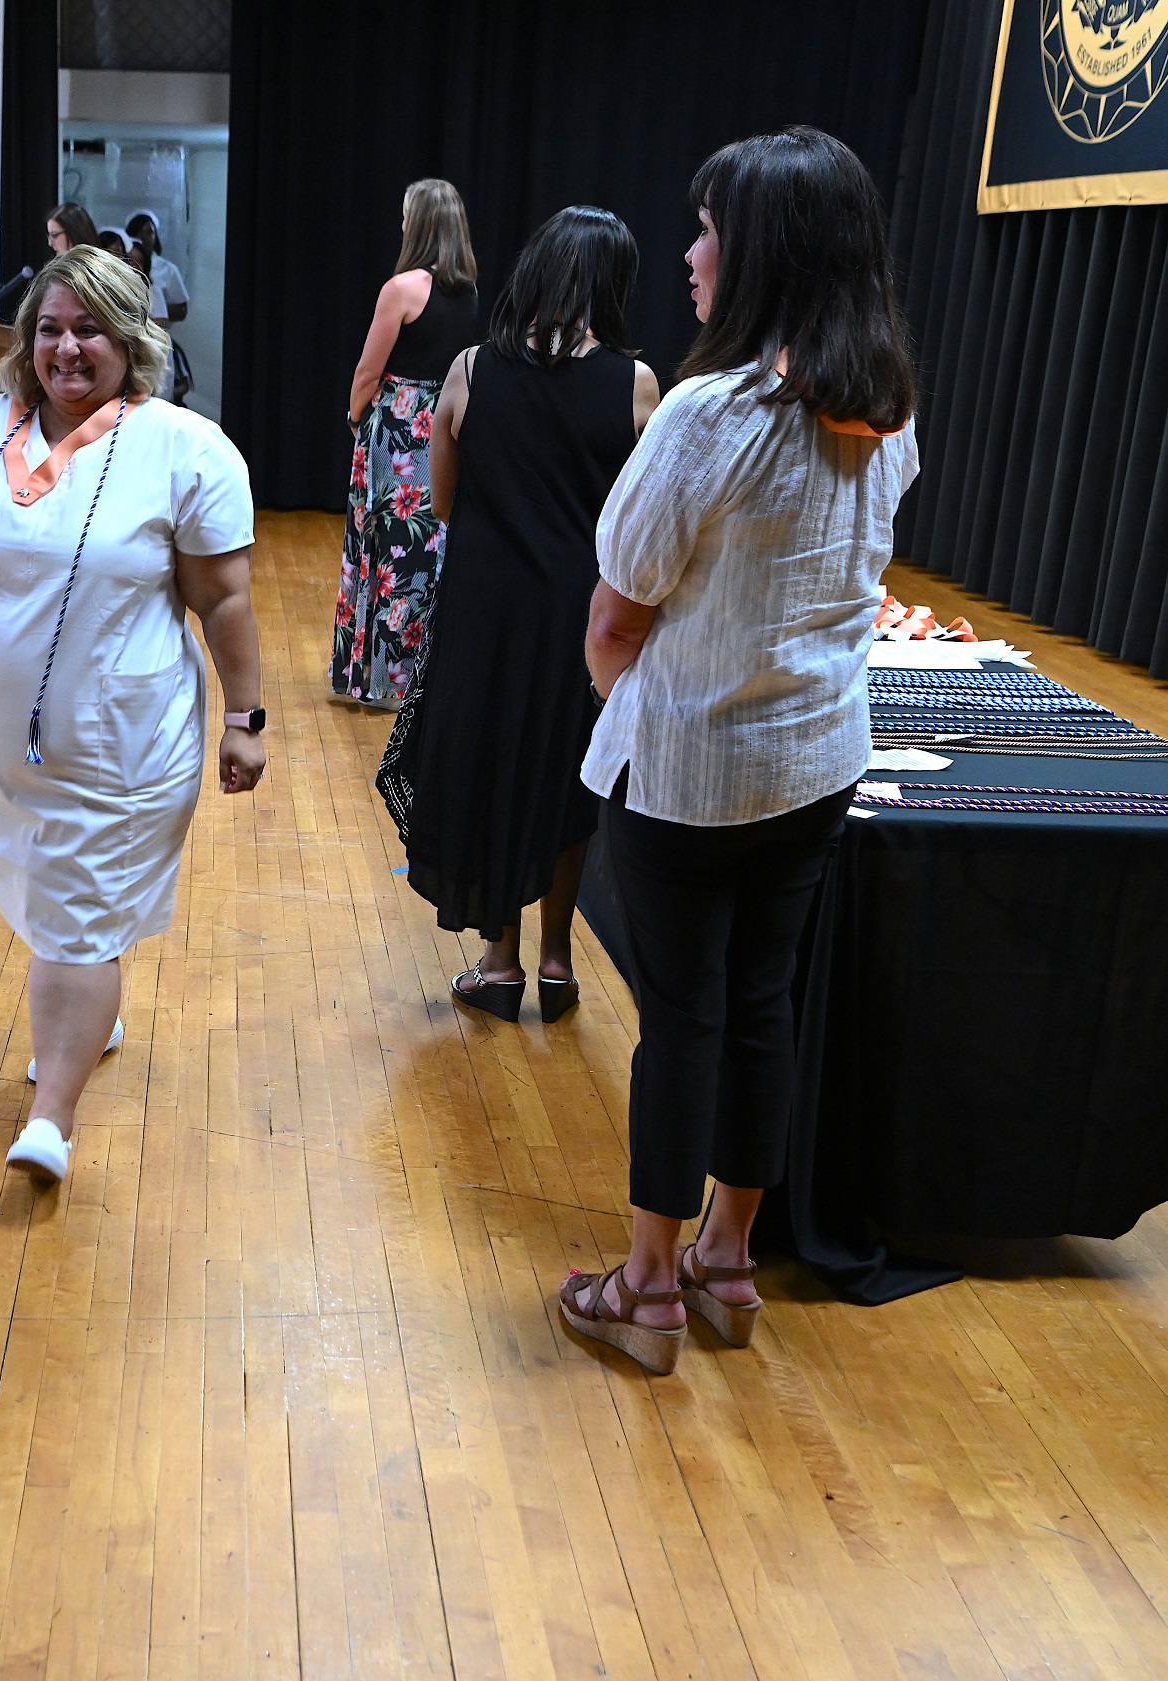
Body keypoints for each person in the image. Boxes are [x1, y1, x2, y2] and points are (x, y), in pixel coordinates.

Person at [560, 128, 920, 1377]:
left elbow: (615, 617)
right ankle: (725, 1259)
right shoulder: (880, 412)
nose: (689, 251)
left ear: (760, 251)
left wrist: (638, 704)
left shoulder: (709, 416)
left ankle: (646, 1287)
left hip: (689, 775)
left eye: (709, 227)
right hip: (813, 764)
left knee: (682, 1022)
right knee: (758, 1008)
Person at [0, 244, 264, 1188]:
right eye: (49, 328)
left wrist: (246, 715)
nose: (66, 348)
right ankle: (91, 1014)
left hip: (126, 745)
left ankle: (52, 1114)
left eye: (89, 328)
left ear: (131, 339)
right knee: (60, 903)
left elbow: (222, 602)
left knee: (75, 921)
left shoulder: (185, 448)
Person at [378, 206, 658, 1025]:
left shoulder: (473, 368)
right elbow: (643, 519)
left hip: (484, 605)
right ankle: (559, 961)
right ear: (613, 285)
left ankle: (498, 965)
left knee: (491, 768)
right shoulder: (636, 385)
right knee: (564, 775)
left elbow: (443, 499)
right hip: (580, 612)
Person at [332, 179, 480, 708]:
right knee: (427, 552)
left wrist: (355, 419)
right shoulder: (470, 293)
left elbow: (368, 371)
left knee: (381, 549)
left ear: (417, 224)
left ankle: (374, 676)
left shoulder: (402, 288)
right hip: (445, 428)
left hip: (396, 434)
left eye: (404, 216)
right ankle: (418, 675)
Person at [125, 212, 189, 325]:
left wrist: (157, 309)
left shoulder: (168, 269)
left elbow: (182, 310)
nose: (144, 238)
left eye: (149, 232)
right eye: (139, 233)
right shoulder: (122, 266)